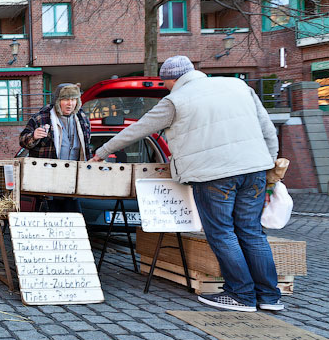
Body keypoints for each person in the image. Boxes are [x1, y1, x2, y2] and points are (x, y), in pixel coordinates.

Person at [90, 55, 282, 312]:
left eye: (165, 82)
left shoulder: (176, 100)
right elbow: (267, 129)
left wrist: (102, 152)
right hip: (255, 169)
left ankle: (241, 295)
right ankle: (269, 297)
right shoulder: (239, 87)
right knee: (251, 231)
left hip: (214, 175)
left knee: (222, 233)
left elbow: (138, 129)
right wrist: (269, 163)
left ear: (171, 79)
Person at [19, 83, 91, 211]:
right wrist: (34, 136)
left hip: (72, 179)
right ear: (58, 101)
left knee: (74, 221)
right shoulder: (41, 118)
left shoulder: (82, 118)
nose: (70, 103)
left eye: (74, 99)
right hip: (48, 180)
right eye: (66, 99)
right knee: (50, 220)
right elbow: (23, 142)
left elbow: (86, 146)